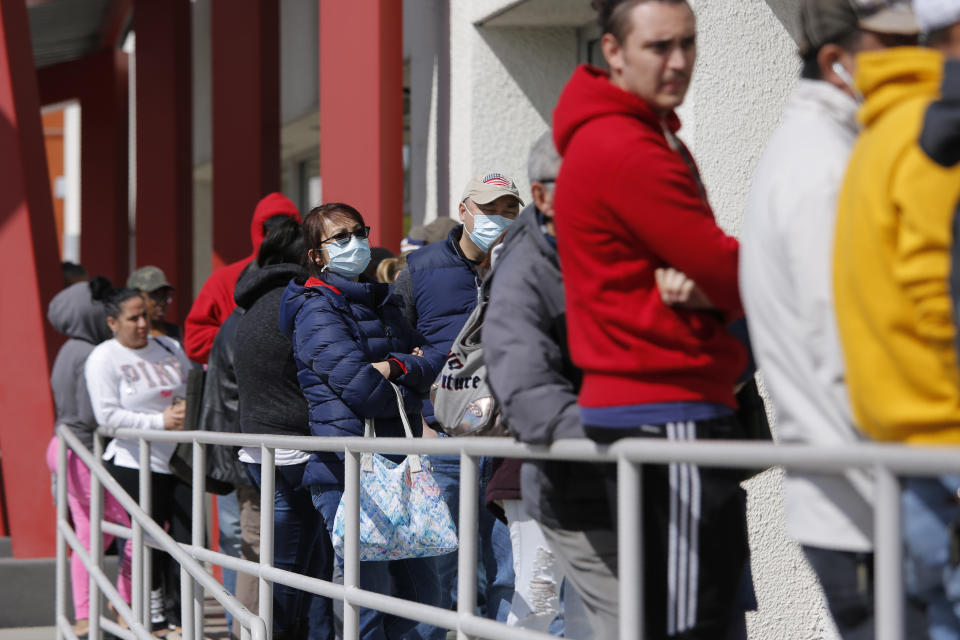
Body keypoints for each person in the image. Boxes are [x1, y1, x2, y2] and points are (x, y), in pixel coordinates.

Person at [552, 0, 753, 636]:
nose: (679, 61)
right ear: (612, 52)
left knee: (687, 610)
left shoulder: (645, 132)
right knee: (690, 620)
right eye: (659, 46)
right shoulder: (623, 143)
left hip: (664, 401)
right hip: (665, 403)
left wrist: (714, 285)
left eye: (688, 44)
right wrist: (730, 284)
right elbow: (721, 264)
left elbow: (710, 267)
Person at [739, 2, 922, 637]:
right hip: (869, 498)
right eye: (894, 48)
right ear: (835, 61)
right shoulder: (826, 168)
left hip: (857, 492)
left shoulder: (827, 150)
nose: (918, 61)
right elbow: (848, 346)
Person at [833, 0, 960, 635]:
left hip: (904, 438)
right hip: (944, 436)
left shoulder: (875, 133)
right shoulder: (932, 132)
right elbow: (937, 293)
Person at [280, 203, 442, 640]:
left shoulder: (378, 298)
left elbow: (433, 362)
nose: (356, 243)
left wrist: (396, 368)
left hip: (398, 465)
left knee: (428, 601)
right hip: (347, 473)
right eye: (341, 237)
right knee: (366, 605)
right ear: (316, 255)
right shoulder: (316, 311)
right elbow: (364, 392)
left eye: (359, 231)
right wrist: (408, 369)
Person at [483, 131, 605, 638]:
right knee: (535, 598)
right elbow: (526, 381)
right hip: (540, 465)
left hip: (596, 466)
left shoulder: (602, 256)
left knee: (587, 610)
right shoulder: (522, 263)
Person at [393, 174, 522, 630]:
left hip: (509, 445)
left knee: (509, 572)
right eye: (490, 208)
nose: (499, 219)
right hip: (445, 442)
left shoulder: (526, 267)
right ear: (465, 210)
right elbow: (393, 346)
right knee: (437, 570)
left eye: (510, 210)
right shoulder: (422, 269)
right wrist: (422, 413)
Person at [232, 216, 335, 640]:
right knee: (294, 574)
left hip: (265, 447)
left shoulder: (254, 303)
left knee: (293, 569)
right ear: (308, 256)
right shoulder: (297, 301)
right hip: (293, 449)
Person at [84, 288, 193, 635]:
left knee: (189, 538)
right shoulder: (103, 358)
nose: (144, 323)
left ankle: (184, 617)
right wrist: (158, 422)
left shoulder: (170, 348)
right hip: (134, 461)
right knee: (146, 544)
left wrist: (186, 410)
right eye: (134, 318)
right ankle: (152, 617)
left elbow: (192, 388)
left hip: (180, 459)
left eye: (146, 315)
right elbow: (107, 417)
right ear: (113, 322)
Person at [46, 277, 132, 638]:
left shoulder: (69, 349)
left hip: (63, 447)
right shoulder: (90, 354)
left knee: (87, 532)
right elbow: (93, 414)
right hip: (82, 450)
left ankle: (85, 614)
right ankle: (122, 601)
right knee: (134, 524)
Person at [184, 192, 301, 364]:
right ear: (258, 231)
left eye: (285, 230)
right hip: (239, 383)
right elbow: (195, 342)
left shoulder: (310, 274)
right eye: (270, 230)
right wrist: (248, 337)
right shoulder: (223, 280)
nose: (277, 237)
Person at [128, 266, 181, 341]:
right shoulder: (125, 334)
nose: (162, 303)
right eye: (155, 296)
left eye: (165, 296)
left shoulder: (174, 332)